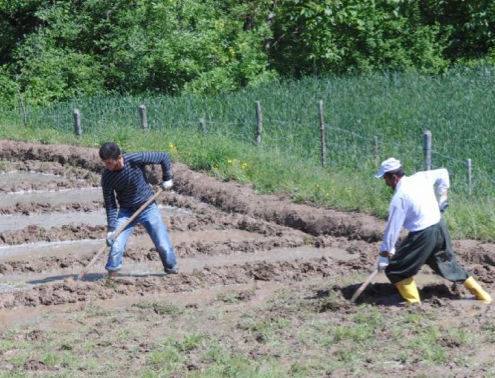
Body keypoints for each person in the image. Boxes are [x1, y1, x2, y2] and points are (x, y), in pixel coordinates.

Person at [375, 157, 491, 304]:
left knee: (396, 270)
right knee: (446, 264)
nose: (385, 183)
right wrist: (443, 196)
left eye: (385, 178)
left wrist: (385, 255)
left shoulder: (400, 198)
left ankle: (414, 305)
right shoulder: (421, 177)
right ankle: (484, 296)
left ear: (393, 177)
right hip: (439, 228)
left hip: (422, 234)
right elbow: (443, 172)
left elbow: (392, 229)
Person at [99, 142, 178, 278]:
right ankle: (111, 279)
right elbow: (110, 204)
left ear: (119, 157)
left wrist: (167, 178)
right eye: (105, 163)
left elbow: (163, 156)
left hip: (147, 207)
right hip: (126, 212)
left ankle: (172, 272)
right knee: (116, 246)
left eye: (109, 163)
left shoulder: (134, 159)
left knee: (163, 244)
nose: (107, 166)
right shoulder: (107, 177)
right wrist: (111, 229)